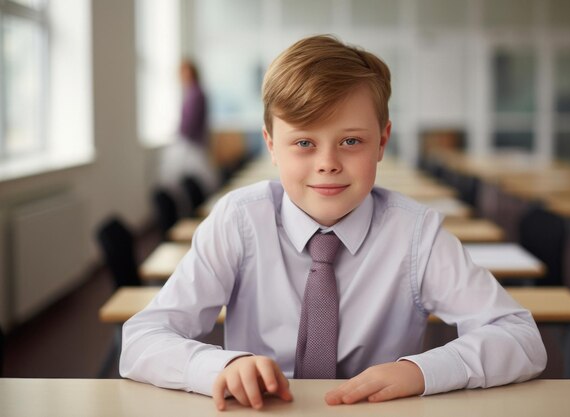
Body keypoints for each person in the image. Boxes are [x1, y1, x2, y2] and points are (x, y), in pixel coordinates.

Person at [120, 35, 547, 411]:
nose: (327, 164)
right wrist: (221, 366)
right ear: (271, 145)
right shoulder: (238, 222)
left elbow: (520, 337)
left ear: (381, 141)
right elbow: (141, 340)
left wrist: (422, 371)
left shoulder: (416, 236)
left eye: (351, 141)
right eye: (304, 142)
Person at [158, 59, 220, 195]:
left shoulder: (196, 94)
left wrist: (179, 134)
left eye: (185, 72)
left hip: (192, 144)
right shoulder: (192, 93)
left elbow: (189, 124)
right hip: (192, 143)